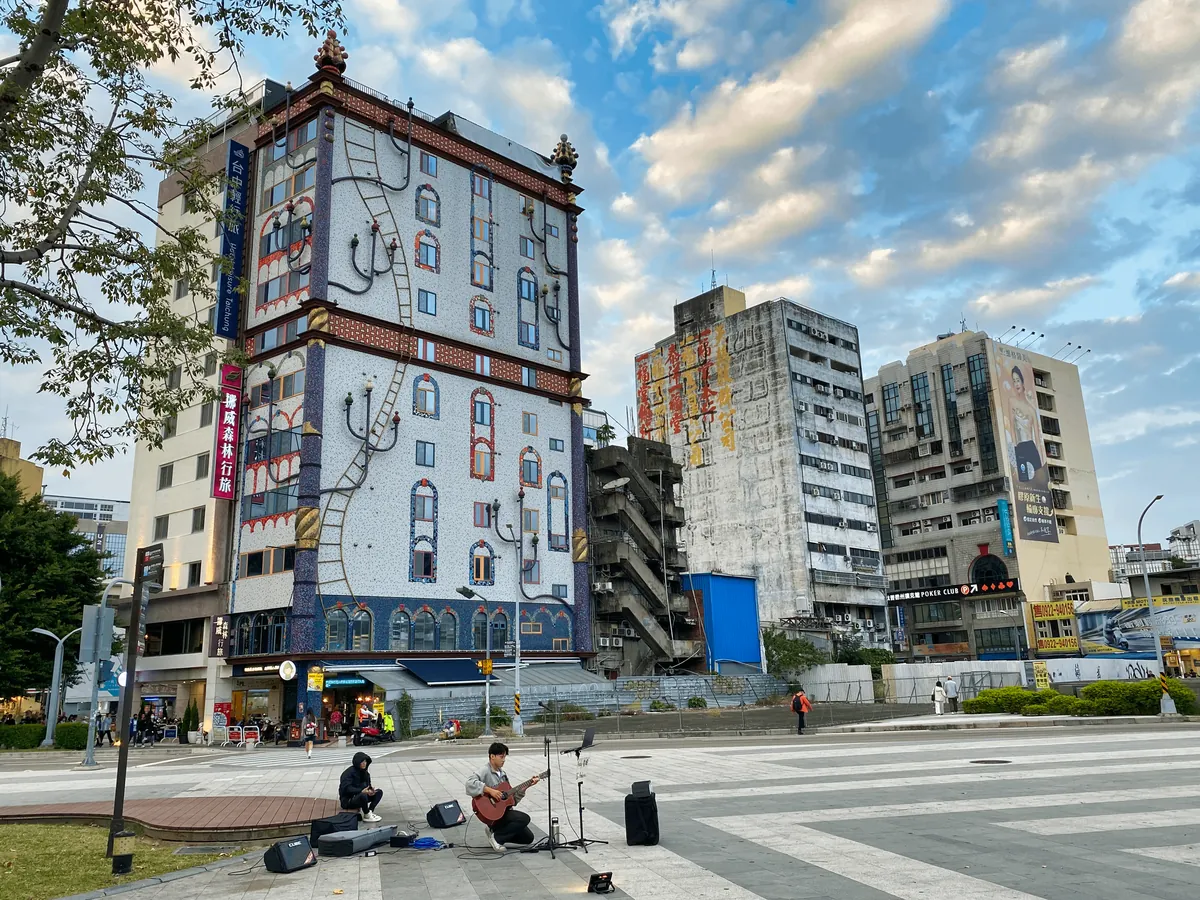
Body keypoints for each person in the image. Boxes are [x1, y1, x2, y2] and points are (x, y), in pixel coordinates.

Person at [465, 741, 539, 851]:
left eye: (504, 757)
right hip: (490, 812)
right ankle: (497, 838)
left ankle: (494, 831)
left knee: (528, 838)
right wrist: (490, 790)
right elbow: (469, 783)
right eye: (501, 757)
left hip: (502, 813)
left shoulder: (503, 774)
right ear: (492, 756)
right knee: (524, 818)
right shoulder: (485, 770)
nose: (503, 760)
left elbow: (511, 801)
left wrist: (525, 788)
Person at [339, 751, 384, 822]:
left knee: (379, 792)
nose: (364, 763)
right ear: (357, 762)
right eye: (362, 762)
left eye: (365, 761)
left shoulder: (365, 773)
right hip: (348, 800)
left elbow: (368, 785)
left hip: (361, 797)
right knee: (363, 795)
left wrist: (370, 790)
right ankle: (366, 814)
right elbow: (347, 788)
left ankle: (370, 811)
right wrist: (361, 791)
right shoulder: (348, 773)